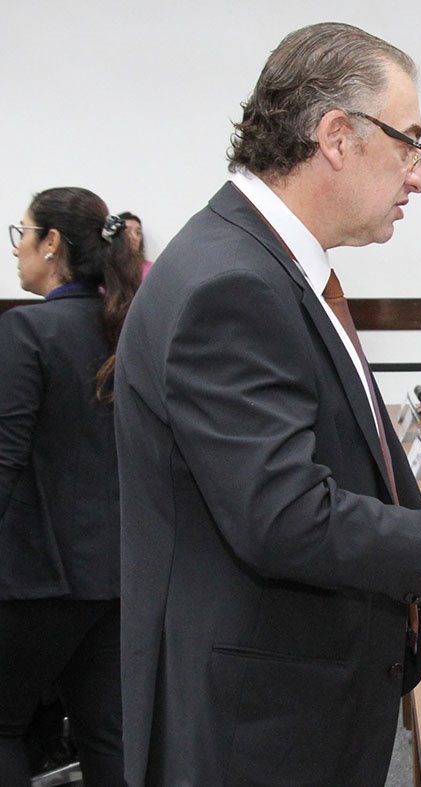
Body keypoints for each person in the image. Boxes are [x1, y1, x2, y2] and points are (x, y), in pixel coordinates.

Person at [114, 23, 421, 786]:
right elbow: (284, 515)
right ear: (336, 136)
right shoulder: (233, 283)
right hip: (257, 731)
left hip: (281, 706)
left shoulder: (259, 262)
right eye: (411, 143)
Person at [1, 188, 141, 786]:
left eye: (21, 234)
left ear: (51, 243)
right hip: (119, 573)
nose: (16, 250)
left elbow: (4, 462)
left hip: (38, 579)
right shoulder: (126, 329)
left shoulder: (28, 331)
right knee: (107, 734)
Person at [117, 210, 152, 279]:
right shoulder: (104, 267)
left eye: (138, 232)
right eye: (127, 232)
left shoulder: (150, 270)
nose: (134, 237)